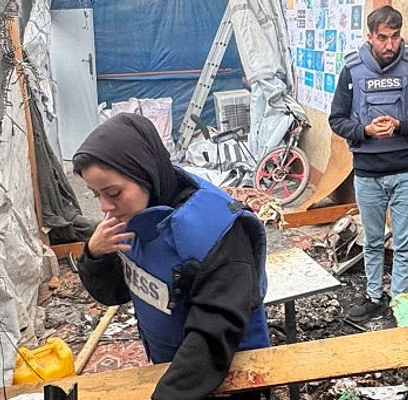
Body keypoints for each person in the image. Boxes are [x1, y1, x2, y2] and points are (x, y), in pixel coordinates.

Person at [72, 113, 269, 399]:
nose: (105, 207)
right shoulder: (133, 217)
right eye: (95, 194)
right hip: (174, 368)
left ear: (146, 174)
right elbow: (114, 293)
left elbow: (213, 334)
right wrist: (95, 255)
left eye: (113, 192)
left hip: (229, 375)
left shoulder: (217, 232)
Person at [328, 5, 408, 323]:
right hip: (368, 173)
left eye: (395, 36)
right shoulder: (352, 70)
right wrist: (364, 130)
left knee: (404, 244)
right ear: (370, 36)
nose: (390, 45)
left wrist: (400, 126)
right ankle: (374, 297)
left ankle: (399, 304)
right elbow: (336, 119)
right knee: (373, 241)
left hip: (406, 171)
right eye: (383, 38)